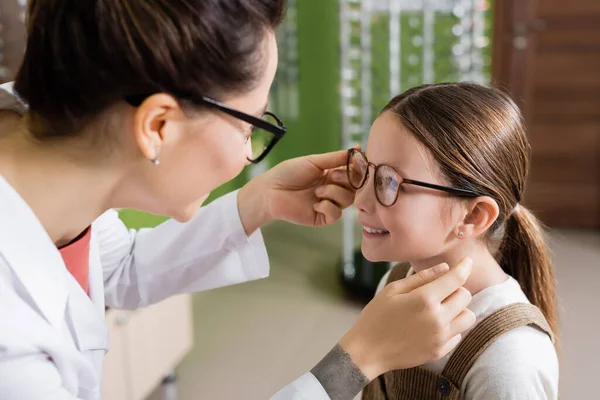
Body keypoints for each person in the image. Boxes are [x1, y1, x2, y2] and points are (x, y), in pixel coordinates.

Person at [0, 2, 476, 399]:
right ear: (157, 126)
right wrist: (358, 361)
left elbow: (114, 267)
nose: (249, 154)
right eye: (250, 127)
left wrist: (258, 203)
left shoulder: (51, 153)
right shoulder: (11, 349)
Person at [346, 83, 559, 400]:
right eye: (366, 169)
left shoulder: (510, 362)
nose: (360, 200)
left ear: (473, 216)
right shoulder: (395, 285)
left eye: (389, 181)